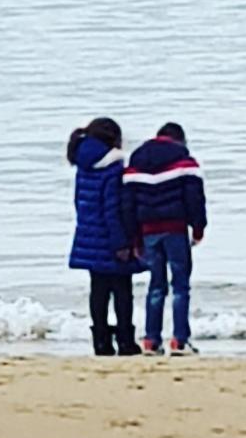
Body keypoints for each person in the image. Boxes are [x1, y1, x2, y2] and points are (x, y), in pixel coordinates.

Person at [122, 122, 207, 356]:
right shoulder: (185, 162)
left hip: (148, 231)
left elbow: (127, 205)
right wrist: (198, 228)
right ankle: (179, 341)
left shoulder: (136, 161)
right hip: (175, 229)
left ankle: (151, 341)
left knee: (156, 286)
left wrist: (133, 238)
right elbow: (195, 198)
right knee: (180, 285)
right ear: (179, 140)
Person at [67, 117, 144, 356]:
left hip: (89, 234)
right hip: (111, 236)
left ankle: (100, 341)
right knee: (122, 290)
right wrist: (122, 242)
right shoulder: (113, 167)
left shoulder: (83, 165)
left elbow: (80, 202)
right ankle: (125, 341)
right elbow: (113, 208)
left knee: (98, 290)